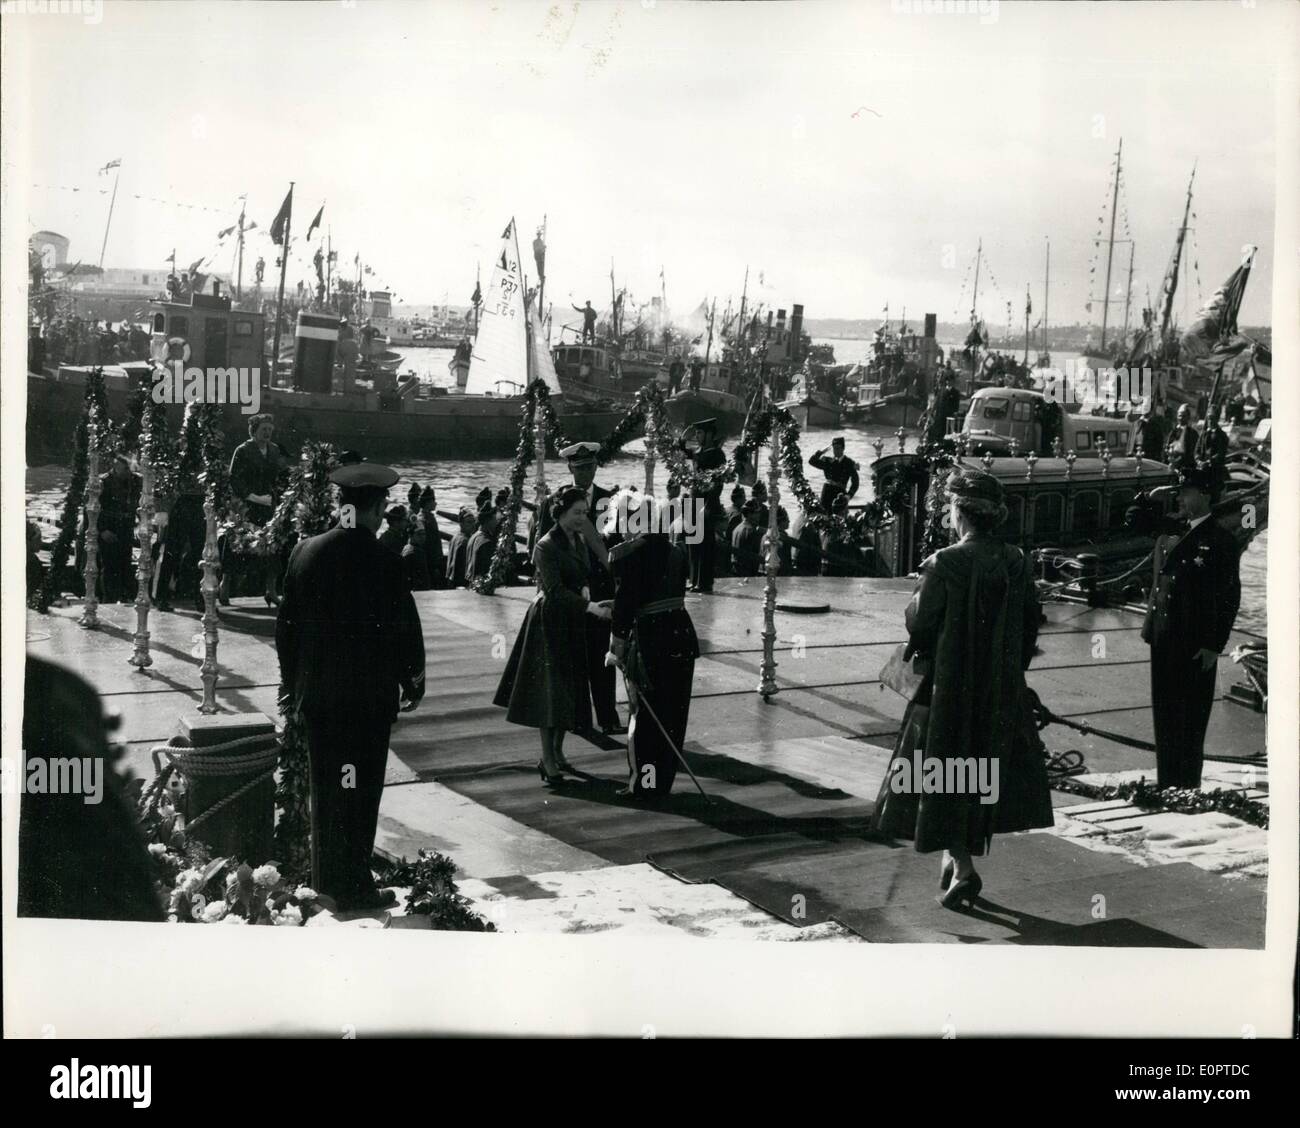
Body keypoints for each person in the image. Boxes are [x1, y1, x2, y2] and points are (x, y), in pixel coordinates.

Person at [872, 467, 1052, 911]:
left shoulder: (945, 562)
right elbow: (1031, 623)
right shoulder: (1016, 561)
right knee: (977, 775)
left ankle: (964, 869)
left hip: (948, 691)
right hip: (999, 692)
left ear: (961, 514)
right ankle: (957, 861)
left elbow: (920, 621)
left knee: (944, 773)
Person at [275, 459, 425, 912]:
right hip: (366, 703)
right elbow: (405, 629)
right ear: (379, 508)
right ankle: (355, 886)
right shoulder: (385, 560)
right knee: (359, 792)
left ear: (342, 504)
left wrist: (293, 684)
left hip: (320, 699)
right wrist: (412, 680)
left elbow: (286, 629)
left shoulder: (305, 552)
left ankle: (327, 883)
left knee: (328, 789)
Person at [1130, 464, 1242, 789]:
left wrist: (1213, 645)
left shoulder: (1220, 540)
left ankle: (1186, 788)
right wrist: (1152, 494)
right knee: (1164, 717)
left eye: (1186, 491)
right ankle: (1167, 785)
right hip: (1162, 637)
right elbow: (1135, 517)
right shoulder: (1173, 531)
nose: (1179, 496)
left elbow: (1229, 598)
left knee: (1190, 721)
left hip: (1194, 645)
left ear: (1206, 494)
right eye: (1177, 491)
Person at [494, 487, 613, 783]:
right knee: (551, 692)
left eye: (585, 513)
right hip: (549, 622)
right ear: (559, 513)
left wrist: (585, 588)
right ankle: (547, 759)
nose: (581, 519)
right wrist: (590, 606)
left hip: (572, 618)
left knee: (570, 687)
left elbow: (581, 573)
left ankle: (558, 752)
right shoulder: (545, 546)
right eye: (576, 513)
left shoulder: (579, 539)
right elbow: (554, 591)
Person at [603, 491, 700, 799]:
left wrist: (615, 649)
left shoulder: (628, 555)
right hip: (681, 634)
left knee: (643, 714)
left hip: (650, 640)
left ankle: (643, 785)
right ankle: (662, 783)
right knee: (673, 714)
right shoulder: (676, 551)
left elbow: (625, 606)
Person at [533, 442, 624, 734]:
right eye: (580, 467)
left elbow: (617, 545)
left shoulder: (611, 501)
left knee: (602, 653)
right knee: (573, 658)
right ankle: (580, 720)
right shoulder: (553, 503)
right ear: (570, 467)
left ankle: (608, 717)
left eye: (591, 466)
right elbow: (542, 545)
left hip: (600, 588)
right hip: (569, 592)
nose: (586, 471)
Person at [222, 414, 285, 605]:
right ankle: (224, 587)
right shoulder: (243, 450)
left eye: (270, 430)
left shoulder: (274, 450)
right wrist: (252, 496)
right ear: (254, 430)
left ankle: (271, 590)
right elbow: (235, 478)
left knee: (272, 547)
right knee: (237, 546)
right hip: (247, 506)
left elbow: (279, 476)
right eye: (264, 429)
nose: (267, 433)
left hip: (269, 506)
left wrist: (275, 496)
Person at [679, 419, 725, 594]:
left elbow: (718, 483)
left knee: (705, 544)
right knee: (693, 543)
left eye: (700, 433)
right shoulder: (699, 452)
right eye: (696, 433)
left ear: (709, 434)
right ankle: (693, 579)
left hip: (706, 504)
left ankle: (704, 582)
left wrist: (708, 505)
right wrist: (683, 438)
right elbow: (682, 452)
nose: (697, 436)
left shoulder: (717, 455)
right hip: (694, 501)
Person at [96, 453, 142, 603]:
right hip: (109, 526)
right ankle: (108, 599)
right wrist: (102, 530)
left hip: (126, 527)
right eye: (125, 470)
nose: (128, 473)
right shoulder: (103, 482)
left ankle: (124, 596)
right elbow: (92, 508)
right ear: (115, 467)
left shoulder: (135, 481)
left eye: (129, 469)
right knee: (109, 565)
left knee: (125, 563)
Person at [809, 437, 860, 510]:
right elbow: (812, 461)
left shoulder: (849, 463)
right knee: (824, 514)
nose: (836, 451)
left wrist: (849, 495)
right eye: (834, 448)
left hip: (840, 493)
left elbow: (855, 482)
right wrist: (821, 452)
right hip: (827, 491)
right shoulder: (828, 461)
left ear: (843, 448)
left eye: (838, 448)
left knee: (838, 516)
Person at [464, 503, 500, 584]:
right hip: (481, 586)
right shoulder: (487, 542)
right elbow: (485, 571)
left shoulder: (472, 537)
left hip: (471, 583)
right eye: (494, 519)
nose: (496, 523)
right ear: (488, 520)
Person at [730, 499, 764, 577]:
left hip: (736, 569)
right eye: (756, 513)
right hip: (747, 572)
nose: (759, 515)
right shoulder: (751, 530)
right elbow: (754, 555)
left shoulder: (737, 528)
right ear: (749, 514)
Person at [445, 507, 477, 587]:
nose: (473, 525)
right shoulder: (466, 541)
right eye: (469, 522)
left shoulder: (454, 537)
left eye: (473, 522)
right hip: (460, 583)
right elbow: (464, 567)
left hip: (451, 579)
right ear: (461, 524)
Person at [1164, 403, 1198, 469]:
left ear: (1188, 417)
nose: (1181, 418)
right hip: (1171, 461)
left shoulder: (1192, 433)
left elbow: (1191, 452)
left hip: (1185, 464)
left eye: (1184, 416)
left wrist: (1178, 460)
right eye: (1179, 416)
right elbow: (1168, 445)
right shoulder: (1173, 431)